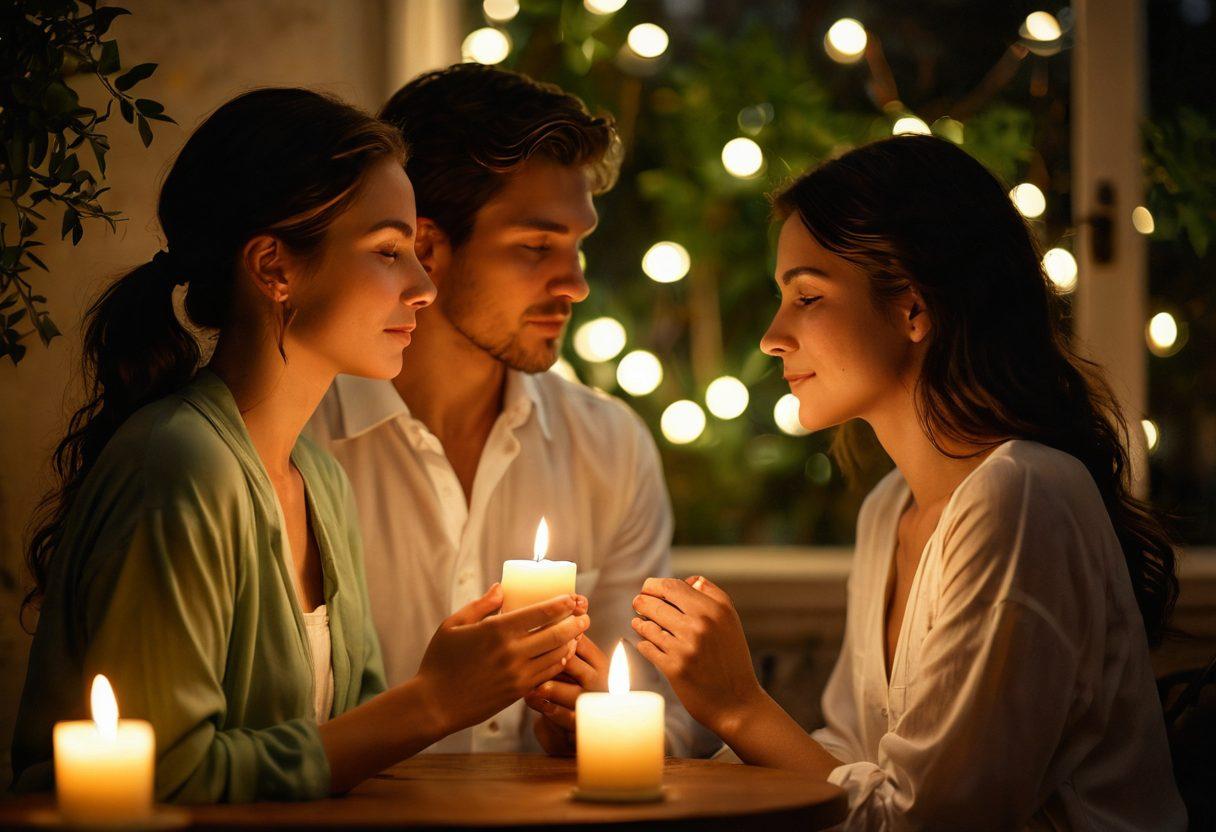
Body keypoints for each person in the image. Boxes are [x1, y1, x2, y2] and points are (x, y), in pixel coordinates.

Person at [12, 87, 589, 803]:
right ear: (273, 267)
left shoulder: (316, 475)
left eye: (414, 251)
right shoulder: (178, 467)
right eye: (387, 251)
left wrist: (463, 685)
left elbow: (343, 747)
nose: (422, 287)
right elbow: (162, 778)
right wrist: (436, 701)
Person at [631, 135, 1187, 829]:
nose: (773, 336)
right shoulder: (889, 509)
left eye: (807, 296)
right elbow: (847, 756)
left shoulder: (1022, 497)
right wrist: (636, 753)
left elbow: (926, 821)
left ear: (913, 309)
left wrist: (738, 704)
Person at [307, 64, 711, 757]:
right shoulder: (302, 440)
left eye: (578, 247)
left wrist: (587, 729)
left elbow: (660, 724)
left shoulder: (609, 446)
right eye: (535, 247)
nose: (577, 284)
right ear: (425, 247)